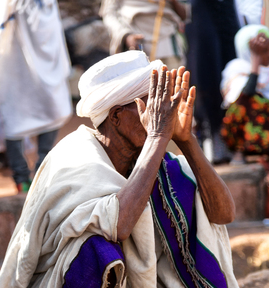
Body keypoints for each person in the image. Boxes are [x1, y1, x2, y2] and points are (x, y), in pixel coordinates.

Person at [0, 51, 250, 288]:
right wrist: (158, 138)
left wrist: (185, 141)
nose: (162, 110)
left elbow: (222, 213)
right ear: (116, 116)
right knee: (97, 248)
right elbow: (120, 224)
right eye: (147, 102)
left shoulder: (155, 160)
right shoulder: (76, 159)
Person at [0, 0, 73, 192]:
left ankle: (41, 172)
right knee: (14, 114)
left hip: (42, 50)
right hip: (13, 55)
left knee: (53, 106)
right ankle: (21, 178)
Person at [185, 0, 240, 164]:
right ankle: (211, 144)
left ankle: (233, 142)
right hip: (201, 17)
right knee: (205, 74)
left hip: (228, 20)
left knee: (232, 76)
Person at [221, 25, 269, 165]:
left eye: (266, 50)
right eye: (262, 51)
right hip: (247, 135)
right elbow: (246, 95)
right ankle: (242, 151)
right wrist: (256, 60)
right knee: (249, 101)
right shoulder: (237, 67)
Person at [100, 0, 190, 70]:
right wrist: (126, 35)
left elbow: (185, 14)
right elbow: (109, 13)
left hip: (167, 42)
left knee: (173, 88)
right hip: (136, 43)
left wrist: (174, 1)